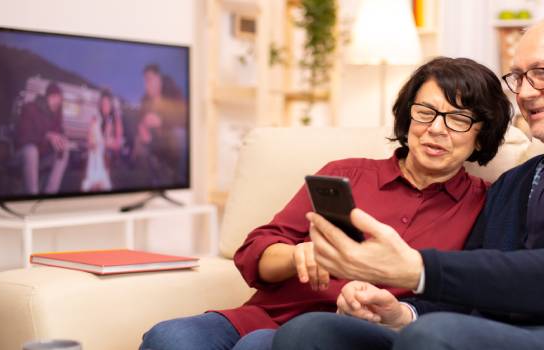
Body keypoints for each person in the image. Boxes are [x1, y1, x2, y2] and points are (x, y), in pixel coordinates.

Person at [273, 13, 544, 350]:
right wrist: (401, 313)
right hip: (499, 335)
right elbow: (468, 296)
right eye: (518, 77)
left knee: (436, 337)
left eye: (542, 71)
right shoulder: (515, 183)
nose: (525, 92)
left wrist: (415, 268)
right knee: (312, 331)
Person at [138, 57, 512, 350]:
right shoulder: (345, 174)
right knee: (168, 338)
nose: (435, 128)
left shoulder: (487, 203)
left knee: (259, 346)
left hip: (360, 333)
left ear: (482, 136)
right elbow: (254, 251)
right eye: (425, 112)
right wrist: (299, 254)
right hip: (266, 315)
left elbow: (470, 297)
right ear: (407, 115)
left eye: (458, 119)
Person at [130, 63, 189, 187]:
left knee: (180, 135)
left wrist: (161, 122)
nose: (147, 84)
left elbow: (185, 118)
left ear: (159, 80)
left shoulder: (173, 95)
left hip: (171, 147)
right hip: (154, 147)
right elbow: (139, 123)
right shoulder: (145, 101)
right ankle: (153, 179)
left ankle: (176, 178)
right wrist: (141, 130)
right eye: (145, 81)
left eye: (149, 79)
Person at [16, 81, 70, 195]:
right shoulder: (30, 108)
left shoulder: (57, 115)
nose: (58, 102)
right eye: (56, 98)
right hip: (23, 155)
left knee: (64, 151)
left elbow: (60, 134)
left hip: (42, 158)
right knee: (31, 150)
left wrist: (63, 141)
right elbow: (23, 137)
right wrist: (46, 135)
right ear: (49, 97)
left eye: (60, 100)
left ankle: (50, 192)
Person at [82, 89, 122, 191]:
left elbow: (118, 143)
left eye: (107, 103)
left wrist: (109, 142)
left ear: (111, 104)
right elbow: (89, 139)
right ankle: (96, 180)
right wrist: (92, 142)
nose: (105, 106)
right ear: (100, 104)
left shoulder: (116, 119)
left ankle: (98, 180)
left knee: (103, 152)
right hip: (97, 152)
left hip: (110, 152)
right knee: (96, 150)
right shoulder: (96, 118)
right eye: (103, 103)